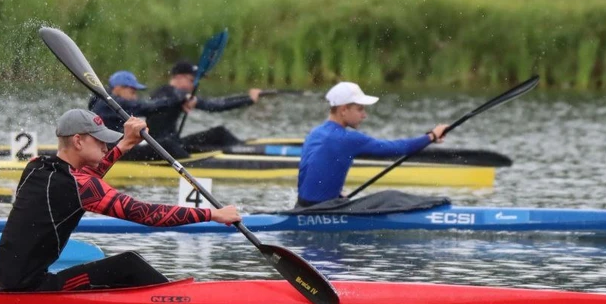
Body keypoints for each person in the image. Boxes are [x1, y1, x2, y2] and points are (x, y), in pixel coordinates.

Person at [0, 109, 241, 292]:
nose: (105, 146)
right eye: (99, 140)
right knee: (129, 265)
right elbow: (144, 214)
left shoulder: (36, 166)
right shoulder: (78, 185)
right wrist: (213, 215)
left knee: (122, 268)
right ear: (78, 141)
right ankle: (183, 301)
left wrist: (124, 145)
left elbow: (83, 180)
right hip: (32, 288)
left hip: (10, 279)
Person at [296, 82, 449, 206]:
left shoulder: (315, 133)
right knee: (392, 197)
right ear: (343, 110)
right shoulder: (347, 138)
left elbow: (314, 173)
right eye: (360, 109)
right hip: (322, 210)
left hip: (303, 206)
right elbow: (396, 148)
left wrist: (336, 195)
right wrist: (431, 136)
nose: (364, 115)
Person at [144, 60, 262, 156]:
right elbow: (215, 106)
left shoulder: (180, 95)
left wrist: (248, 99)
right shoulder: (165, 93)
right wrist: (184, 98)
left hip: (175, 144)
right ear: (179, 77)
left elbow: (217, 103)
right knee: (219, 134)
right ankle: (246, 152)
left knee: (218, 133)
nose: (194, 85)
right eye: (191, 80)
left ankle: (242, 150)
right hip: (161, 148)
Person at [88, 70, 187, 134]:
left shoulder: (101, 99)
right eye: (132, 92)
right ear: (118, 88)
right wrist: (178, 99)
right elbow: (149, 107)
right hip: (111, 149)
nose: (135, 97)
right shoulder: (113, 102)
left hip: (111, 145)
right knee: (168, 144)